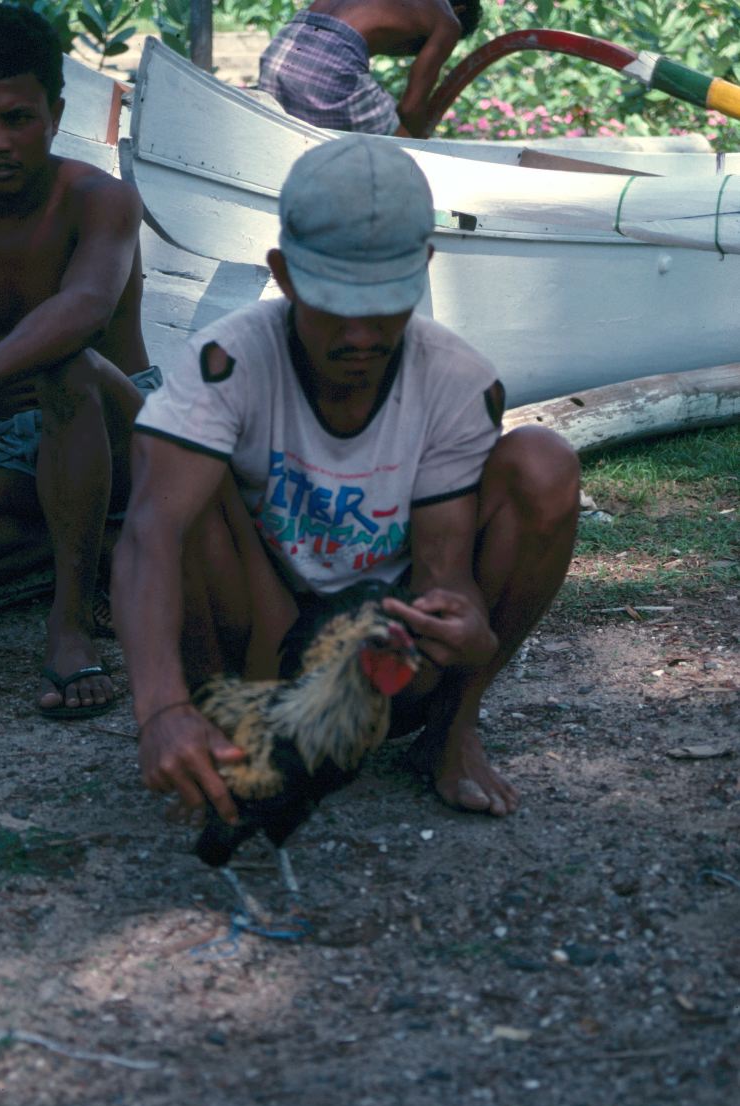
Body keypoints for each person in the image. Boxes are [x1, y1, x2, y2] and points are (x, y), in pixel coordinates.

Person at [113, 135, 580, 822]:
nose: (360, 335)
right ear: (285, 273)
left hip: (385, 653)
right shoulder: (224, 363)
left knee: (544, 461)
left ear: (422, 267)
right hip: (265, 636)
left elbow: (444, 573)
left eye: (383, 304)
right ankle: (213, 720)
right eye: (336, 303)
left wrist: (468, 624)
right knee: (176, 472)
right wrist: (160, 705)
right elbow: (148, 536)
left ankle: (452, 730)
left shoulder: (456, 380)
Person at [0, 3, 161, 718]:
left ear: (56, 114)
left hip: (120, 420)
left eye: (18, 118)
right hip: (15, 436)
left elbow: (87, 308)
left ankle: (70, 623)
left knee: (65, 369)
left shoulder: (102, 199)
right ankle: (103, 545)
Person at [257, 0, 481, 138]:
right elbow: (411, 108)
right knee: (406, 156)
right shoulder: (448, 21)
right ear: (459, 10)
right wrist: (417, 136)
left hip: (283, 46)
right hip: (325, 65)